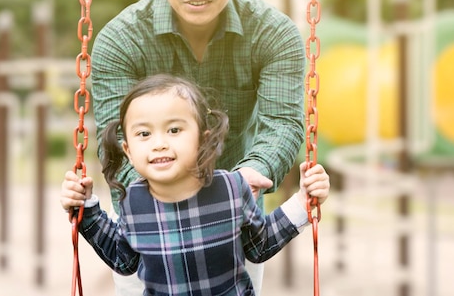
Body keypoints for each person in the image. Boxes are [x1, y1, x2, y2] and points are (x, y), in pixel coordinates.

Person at [90, 0, 307, 294]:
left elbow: (283, 123)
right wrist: (156, 197)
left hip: (237, 204)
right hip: (146, 211)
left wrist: (248, 177)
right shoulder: (120, 41)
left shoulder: (274, 34)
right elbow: (114, 141)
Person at [61, 74, 329, 296]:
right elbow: (123, 259)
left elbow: (259, 246)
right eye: (144, 133)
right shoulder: (134, 201)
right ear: (128, 151)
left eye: (174, 130)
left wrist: (302, 203)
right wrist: (86, 208)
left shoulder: (232, 189)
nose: (159, 143)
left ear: (202, 138)